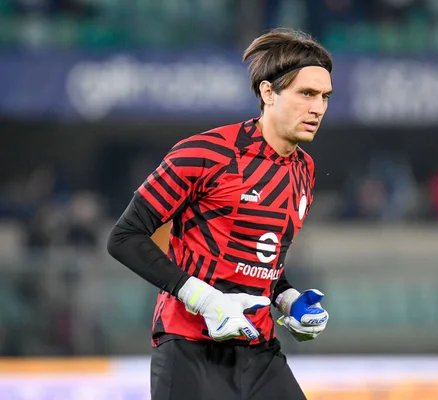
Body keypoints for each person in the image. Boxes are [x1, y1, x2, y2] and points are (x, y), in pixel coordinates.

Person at [106, 27, 333, 400]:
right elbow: (124, 238)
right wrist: (204, 298)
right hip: (188, 349)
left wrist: (289, 298)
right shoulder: (206, 154)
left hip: (260, 353)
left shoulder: (303, 170)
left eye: (324, 96)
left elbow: (260, 260)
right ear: (268, 92)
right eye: (306, 93)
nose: (318, 108)